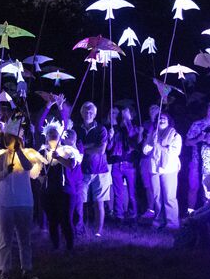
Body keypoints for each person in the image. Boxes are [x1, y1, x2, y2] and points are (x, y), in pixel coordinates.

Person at [0, 118, 44, 279]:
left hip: (24, 202)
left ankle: (26, 269)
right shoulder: (1, 157)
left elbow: (28, 167)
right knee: (5, 239)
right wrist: (5, 172)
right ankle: (4, 271)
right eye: (9, 139)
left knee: (24, 239)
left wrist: (19, 151)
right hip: (5, 203)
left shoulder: (27, 154)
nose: (11, 142)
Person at [40, 123, 82, 250]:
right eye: (50, 134)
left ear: (60, 136)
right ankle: (55, 247)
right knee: (52, 221)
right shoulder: (42, 152)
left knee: (66, 220)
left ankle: (70, 248)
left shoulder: (67, 150)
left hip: (65, 191)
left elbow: (71, 165)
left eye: (55, 134)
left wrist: (59, 158)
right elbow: (37, 172)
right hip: (48, 192)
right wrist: (41, 178)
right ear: (46, 137)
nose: (52, 136)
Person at [142, 112, 181, 229]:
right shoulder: (153, 134)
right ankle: (159, 220)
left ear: (169, 121)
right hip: (154, 168)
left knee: (169, 197)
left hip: (168, 169)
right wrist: (150, 144)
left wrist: (159, 146)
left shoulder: (175, 135)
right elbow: (145, 150)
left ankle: (172, 223)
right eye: (159, 119)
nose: (161, 120)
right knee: (157, 196)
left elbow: (175, 152)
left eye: (164, 118)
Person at [77, 102, 110, 237]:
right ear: (81, 113)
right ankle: (80, 229)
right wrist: (91, 146)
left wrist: (83, 148)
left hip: (100, 170)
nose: (88, 113)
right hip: (82, 170)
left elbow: (101, 150)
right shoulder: (77, 129)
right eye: (85, 111)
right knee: (80, 203)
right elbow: (74, 147)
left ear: (95, 114)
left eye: (91, 111)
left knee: (99, 202)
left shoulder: (101, 129)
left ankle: (98, 231)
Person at [185, 102, 210, 211]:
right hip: (196, 160)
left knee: (209, 189)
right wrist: (198, 139)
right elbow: (186, 142)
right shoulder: (196, 124)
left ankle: (207, 214)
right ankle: (190, 213)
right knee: (193, 187)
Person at [108, 106, 138, 221]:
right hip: (116, 164)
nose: (124, 118)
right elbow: (110, 148)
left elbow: (132, 136)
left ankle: (133, 215)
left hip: (129, 164)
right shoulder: (114, 129)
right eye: (123, 116)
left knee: (132, 193)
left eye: (127, 115)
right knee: (118, 193)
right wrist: (111, 138)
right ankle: (119, 216)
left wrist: (128, 120)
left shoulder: (132, 128)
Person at [138, 104, 160, 218]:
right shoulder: (145, 124)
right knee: (147, 184)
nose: (153, 110)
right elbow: (139, 142)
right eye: (151, 108)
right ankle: (150, 209)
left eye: (156, 109)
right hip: (145, 158)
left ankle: (159, 211)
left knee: (157, 185)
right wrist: (141, 133)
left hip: (156, 158)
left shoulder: (161, 123)